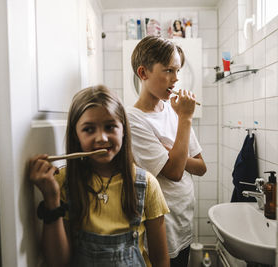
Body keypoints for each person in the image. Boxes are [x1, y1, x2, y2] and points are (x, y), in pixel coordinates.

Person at [28, 85, 170, 267]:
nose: (102, 138)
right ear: (75, 135)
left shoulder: (147, 184)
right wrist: (51, 198)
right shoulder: (63, 182)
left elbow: (161, 260)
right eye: (88, 129)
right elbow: (57, 262)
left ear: (124, 129)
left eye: (110, 126)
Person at [127, 36, 207, 267]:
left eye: (178, 70)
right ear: (143, 73)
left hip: (183, 219)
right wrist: (186, 118)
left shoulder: (173, 112)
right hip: (162, 226)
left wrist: (171, 151)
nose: (176, 78)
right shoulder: (133, 120)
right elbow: (174, 172)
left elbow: (201, 167)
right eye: (169, 70)